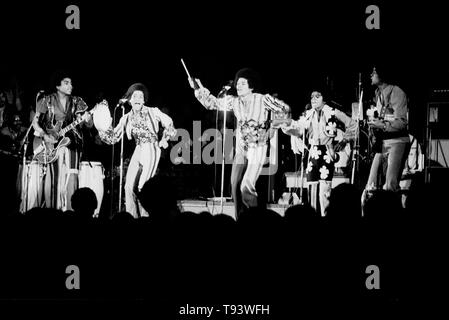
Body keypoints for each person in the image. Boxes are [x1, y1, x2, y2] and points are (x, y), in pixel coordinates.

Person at [188, 68, 290, 219]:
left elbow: (284, 109)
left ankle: (254, 218)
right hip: (242, 149)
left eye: (243, 83)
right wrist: (198, 88)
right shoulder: (234, 101)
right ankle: (240, 218)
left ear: (251, 85)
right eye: (238, 83)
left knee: (246, 185)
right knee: (235, 185)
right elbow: (213, 103)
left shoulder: (263, 99)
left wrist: (273, 128)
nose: (239, 86)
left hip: (258, 146)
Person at [99, 83, 177, 218]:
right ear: (129, 100)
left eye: (141, 96)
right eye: (135, 96)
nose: (138, 99)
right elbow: (114, 137)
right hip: (139, 148)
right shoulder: (126, 117)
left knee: (143, 187)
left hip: (151, 147)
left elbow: (169, 123)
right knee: (128, 187)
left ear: (144, 100)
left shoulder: (153, 111)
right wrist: (101, 127)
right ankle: (132, 217)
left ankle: (146, 216)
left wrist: (165, 137)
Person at [277, 87, 356, 216]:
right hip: (313, 152)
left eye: (317, 96)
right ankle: (313, 217)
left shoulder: (333, 112)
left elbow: (352, 125)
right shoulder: (308, 115)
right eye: (312, 97)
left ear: (324, 99)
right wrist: (286, 126)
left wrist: (344, 141)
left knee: (325, 190)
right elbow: (298, 128)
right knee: (312, 187)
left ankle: (325, 216)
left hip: (327, 151)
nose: (313, 99)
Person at [31, 70, 92, 211]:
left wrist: (88, 119)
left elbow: (87, 124)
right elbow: (35, 123)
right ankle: (51, 210)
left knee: (73, 175)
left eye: (71, 83)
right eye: (66, 83)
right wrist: (45, 136)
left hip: (73, 141)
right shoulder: (46, 100)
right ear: (58, 86)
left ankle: (73, 211)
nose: (71, 86)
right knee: (54, 178)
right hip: (51, 143)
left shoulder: (77, 101)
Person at [363, 67, 410, 204]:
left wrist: (382, 125)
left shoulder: (397, 92)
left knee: (390, 185)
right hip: (383, 143)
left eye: (374, 72)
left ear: (383, 74)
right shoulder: (378, 93)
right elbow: (385, 117)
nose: (371, 75)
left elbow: (402, 122)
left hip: (397, 141)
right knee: (371, 186)